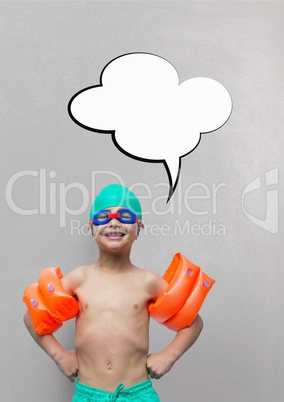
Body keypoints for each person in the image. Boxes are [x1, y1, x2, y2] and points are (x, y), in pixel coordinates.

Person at [24, 184, 203, 401]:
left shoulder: (147, 282)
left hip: (137, 393)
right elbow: (32, 316)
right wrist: (59, 355)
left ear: (139, 228)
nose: (114, 222)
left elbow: (193, 322)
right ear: (92, 229)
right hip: (88, 394)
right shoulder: (80, 279)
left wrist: (169, 356)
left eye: (125, 216)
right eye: (103, 217)